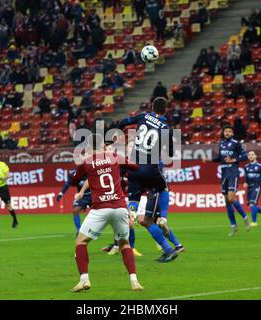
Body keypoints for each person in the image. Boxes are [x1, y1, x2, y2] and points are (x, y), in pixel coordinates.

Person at [70, 134, 143, 292]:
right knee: (125, 244)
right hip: (119, 206)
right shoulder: (115, 157)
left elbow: (74, 180)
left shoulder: (87, 162)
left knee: (81, 242)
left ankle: (84, 279)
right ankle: (134, 281)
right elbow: (135, 167)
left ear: (89, 147)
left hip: (100, 208)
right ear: (104, 145)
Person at [118, 97, 182, 262]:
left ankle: (131, 210)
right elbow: (170, 154)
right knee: (164, 189)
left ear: (152, 107)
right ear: (165, 110)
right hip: (150, 167)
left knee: (134, 200)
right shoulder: (166, 128)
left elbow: (123, 122)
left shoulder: (143, 116)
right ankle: (164, 218)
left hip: (134, 167)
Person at [212, 124, 250, 236]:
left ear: (232, 133)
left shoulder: (236, 143)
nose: (227, 133)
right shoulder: (222, 144)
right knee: (227, 201)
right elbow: (220, 158)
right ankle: (233, 225)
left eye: (229, 131)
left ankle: (245, 217)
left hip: (233, 173)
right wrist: (209, 159)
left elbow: (245, 156)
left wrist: (233, 160)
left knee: (231, 197)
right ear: (223, 133)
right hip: (224, 174)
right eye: (226, 131)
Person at [56, 168, 92, 233]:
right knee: (75, 210)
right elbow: (67, 184)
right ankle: (79, 231)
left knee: (99, 212)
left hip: (93, 195)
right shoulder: (73, 173)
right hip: (82, 196)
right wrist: (61, 193)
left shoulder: (90, 170)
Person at [243, 151, 261, 226]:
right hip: (249, 187)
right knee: (252, 205)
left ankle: (254, 222)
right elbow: (246, 176)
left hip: (257, 186)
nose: (251, 156)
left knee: (253, 203)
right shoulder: (246, 166)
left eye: (252, 155)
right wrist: (245, 182)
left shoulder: (260, 166)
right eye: (249, 155)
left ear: (255, 156)